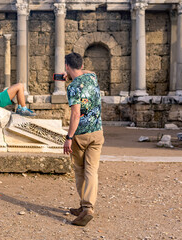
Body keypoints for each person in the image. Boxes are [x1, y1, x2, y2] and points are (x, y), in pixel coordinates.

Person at [63, 52, 104, 226]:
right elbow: (86, 71)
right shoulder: (92, 77)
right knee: (92, 170)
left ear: (66, 66)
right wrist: (75, 71)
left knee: (80, 170)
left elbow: (75, 114)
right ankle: (86, 206)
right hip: (97, 132)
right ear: (81, 65)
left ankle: (86, 207)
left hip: (80, 135)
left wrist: (69, 138)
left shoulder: (73, 87)